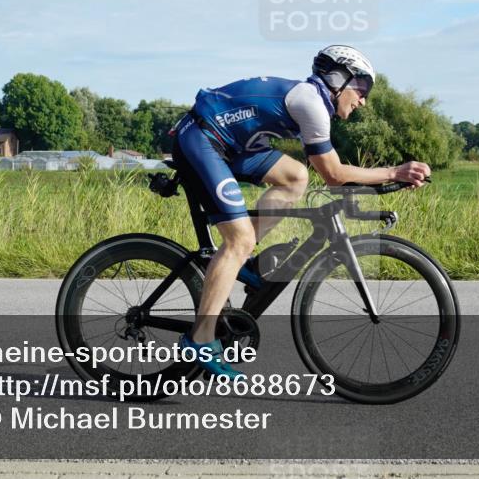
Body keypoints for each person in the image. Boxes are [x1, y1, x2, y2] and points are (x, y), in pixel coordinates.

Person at [172, 45, 431, 377]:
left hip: (232, 144)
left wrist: (385, 181)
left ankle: (243, 262)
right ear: (338, 79)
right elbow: (334, 175)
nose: (363, 99)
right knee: (238, 240)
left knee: (295, 176)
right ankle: (200, 338)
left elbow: (329, 175)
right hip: (202, 139)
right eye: (361, 88)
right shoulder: (310, 103)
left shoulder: (314, 101)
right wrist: (394, 172)